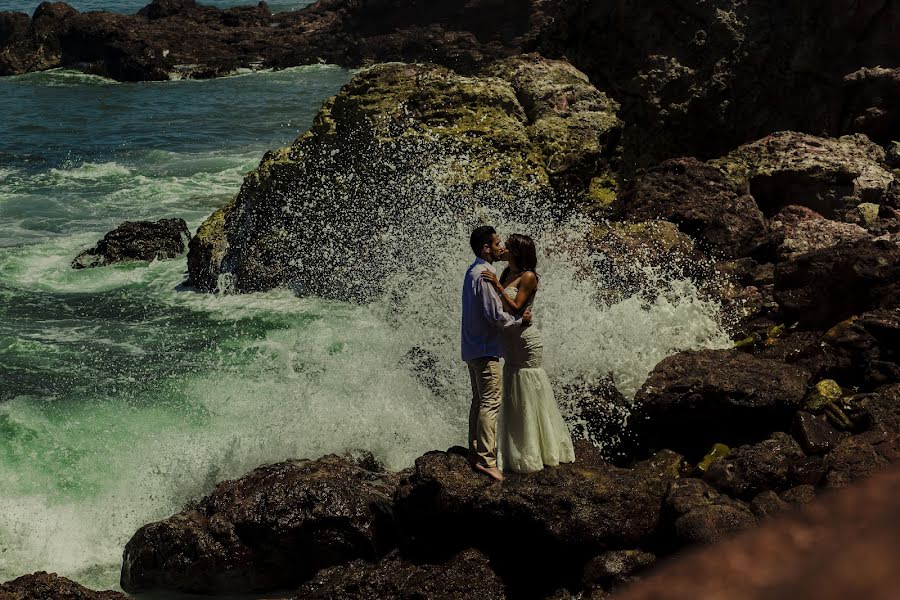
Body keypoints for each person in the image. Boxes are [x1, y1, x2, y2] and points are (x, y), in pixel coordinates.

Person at [481, 233, 575, 473]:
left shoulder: (528, 276)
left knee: (528, 387)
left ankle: (539, 450)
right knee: (513, 386)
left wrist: (497, 286)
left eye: (507, 247)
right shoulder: (505, 273)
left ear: (516, 252)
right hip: (511, 339)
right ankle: (517, 450)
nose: (502, 250)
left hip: (526, 341)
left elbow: (517, 307)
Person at [461, 226, 532, 482]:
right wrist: (518, 323)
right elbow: (494, 316)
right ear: (486, 248)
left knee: (479, 401)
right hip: (485, 348)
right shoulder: (484, 274)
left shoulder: (474, 271)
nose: (501, 247)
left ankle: (474, 451)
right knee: (490, 403)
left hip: (472, 347)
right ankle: (487, 460)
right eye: (497, 243)